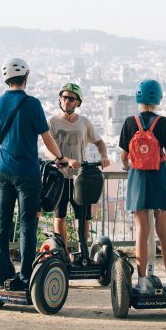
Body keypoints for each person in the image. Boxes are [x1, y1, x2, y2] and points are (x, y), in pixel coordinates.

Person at [0, 58, 77, 290]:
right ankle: (25, 276)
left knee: (2, 222)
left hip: (2, 169)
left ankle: (2, 272)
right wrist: (60, 158)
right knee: (27, 224)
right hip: (27, 171)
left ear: (6, 79)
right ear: (26, 77)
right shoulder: (32, 104)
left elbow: (0, 136)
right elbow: (46, 138)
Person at [119, 79, 166, 293]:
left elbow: (124, 157)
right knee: (163, 231)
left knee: (142, 231)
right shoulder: (164, 123)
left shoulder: (129, 122)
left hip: (138, 179)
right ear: (158, 98)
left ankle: (142, 283)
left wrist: (131, 166)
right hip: (159, 177)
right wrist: (158, 162)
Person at [49, 82, 111, 254]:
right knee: (59, 216)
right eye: (63, 97)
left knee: (83, 218)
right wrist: (66, 160)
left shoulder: (84, 122)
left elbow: (99, 142)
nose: (66, 101)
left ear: (78, 102)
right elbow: (48, 148)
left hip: (80, 177)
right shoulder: (52, 122)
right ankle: (63, 253)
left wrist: (104, 156)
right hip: (60, 177)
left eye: (71, 98)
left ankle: (82, 251)